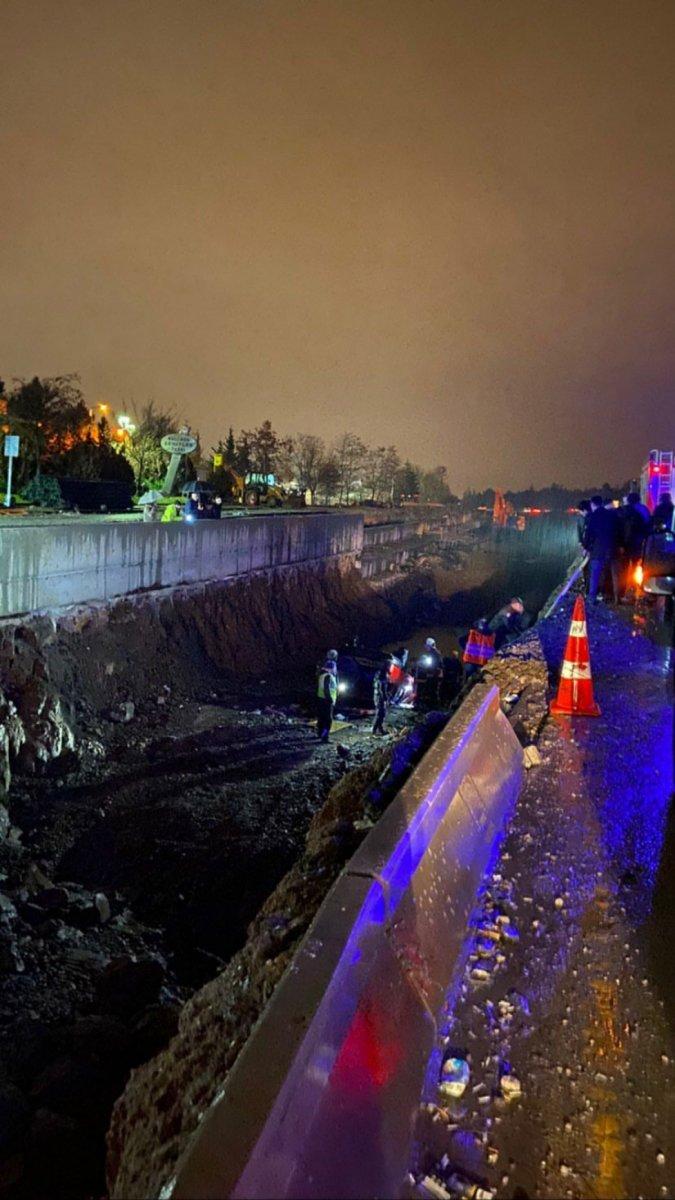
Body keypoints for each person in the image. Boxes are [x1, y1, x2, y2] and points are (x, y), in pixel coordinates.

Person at [583, 495, 621, 603]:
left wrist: (585, 547)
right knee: (614, 575)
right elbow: (618, 531)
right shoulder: (611, 515)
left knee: (594, 575)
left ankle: (592, 597)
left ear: (592, 504)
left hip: (598, 550)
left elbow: (589, 534)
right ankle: (616, 597)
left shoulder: (593, 516)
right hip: (612, 548)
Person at [619, 493, 650, 596]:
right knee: (637, 565)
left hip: (625, 543)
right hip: (639, 542)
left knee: (624, 567)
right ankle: (636, 587)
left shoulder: (624, 510)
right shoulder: (643, 509)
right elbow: (648, 525)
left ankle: (623, 590)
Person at [415, 637, 443, 707]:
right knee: (432, 691)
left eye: (426, 645)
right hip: (433, 675)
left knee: (432, 691)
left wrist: (431, 673)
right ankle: (431, 705)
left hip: (433, 675)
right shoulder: (435, 653)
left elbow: (435, 665)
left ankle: (432, 706)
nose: (425, 647)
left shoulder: (433, 654)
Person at [316, 659, 337, 742]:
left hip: (321, 699)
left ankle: (320, 734)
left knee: (321, 718)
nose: (335, 669)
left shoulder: (321, 675)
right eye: (334, 667)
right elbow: (327, 689)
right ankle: (325, 737)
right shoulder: (328, 676)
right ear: (331, 668)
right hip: (327, 700)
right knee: (328, 720)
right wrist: (330, 699)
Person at [372, 661, 391, 735]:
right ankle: (375, 729)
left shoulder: (383, 674)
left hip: (380, 696)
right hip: (379, 697)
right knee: (380, 713)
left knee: (382, 713)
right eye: (389, 666)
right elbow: (380, 687)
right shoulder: (381, 674)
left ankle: (379, 728)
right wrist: (384, 697)